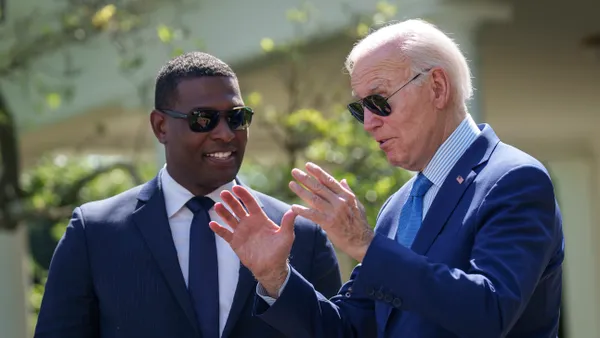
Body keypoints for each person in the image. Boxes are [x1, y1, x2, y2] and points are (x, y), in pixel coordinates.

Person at [209, 19, 565, 338]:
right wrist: (275, 276)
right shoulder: (399, 205)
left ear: (437, 87)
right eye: (359, 108)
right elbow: (350, 328)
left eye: (378, 102)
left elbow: (490, 313)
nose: (367, 123)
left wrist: (366, 244)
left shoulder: (514, 179)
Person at [34, 52, 342, 338]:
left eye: (237, 117)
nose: (225, 133)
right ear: (161, 126)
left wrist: (278, 279)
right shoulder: (95, 233)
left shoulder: (301, 235)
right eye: (203, 119)